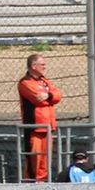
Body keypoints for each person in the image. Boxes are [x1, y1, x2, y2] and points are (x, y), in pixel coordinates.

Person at [18, 53, 62, 182]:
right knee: (34, 159)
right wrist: (50, 97)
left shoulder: (45, 81)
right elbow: (38, 100)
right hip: (34, 128)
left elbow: (58, 95)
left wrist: (48, 96)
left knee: (45, 159)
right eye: (42, 64)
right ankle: (31, 184)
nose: (45, 67)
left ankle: (42, 182)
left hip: (48, 127)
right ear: (33, 66)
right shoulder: (25, 82)